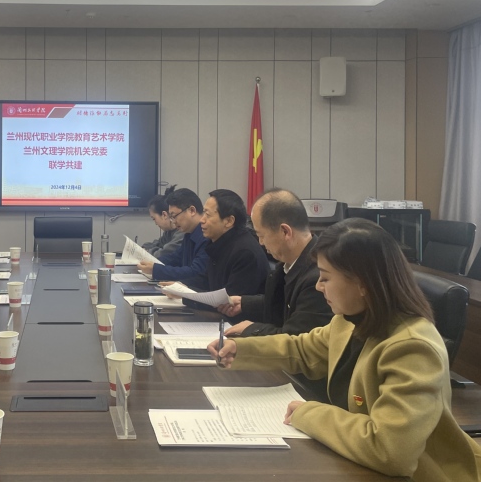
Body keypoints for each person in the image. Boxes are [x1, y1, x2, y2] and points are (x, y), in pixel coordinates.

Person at [209, 218, 481, 481]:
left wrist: (309, 413)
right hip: (359, 462)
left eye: (325, 278)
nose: (318, 286)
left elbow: (390, 450)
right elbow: (302, 349)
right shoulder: (350, 320)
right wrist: (241, 349)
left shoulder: (412, 348)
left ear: (363, 283)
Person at [219, 188, 331, 337]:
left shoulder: (318, 278)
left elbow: (294, 338)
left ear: (285, 232)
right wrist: (244, 303)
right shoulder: (289, 264)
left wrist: (251, 329)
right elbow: (282, 303)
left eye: (261, 235)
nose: (261, 242)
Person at [198, 189, 268, 295]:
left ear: (229, 221)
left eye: (208, 215)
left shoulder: (245, 253)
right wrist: (180, 286)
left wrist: (187, 296)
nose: (202, 220)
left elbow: (229, 299)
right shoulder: (218, 244)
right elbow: (205, 281)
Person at [137, 188, 209, 289]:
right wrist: (152, 263)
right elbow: (175, 258)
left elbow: (196, 272)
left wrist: (156, 269)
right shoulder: (189, 233)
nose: (173, 221)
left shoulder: (206, 235)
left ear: (192, 211)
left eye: (174, 216)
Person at [140, 184, 185, 260]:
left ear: (164, 215)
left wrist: (146, 252)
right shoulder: (169, 232)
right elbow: (158, 244)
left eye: (154, 219)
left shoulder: (182, 232)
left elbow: (163, 253)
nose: (155, 223)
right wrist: (144, 248)